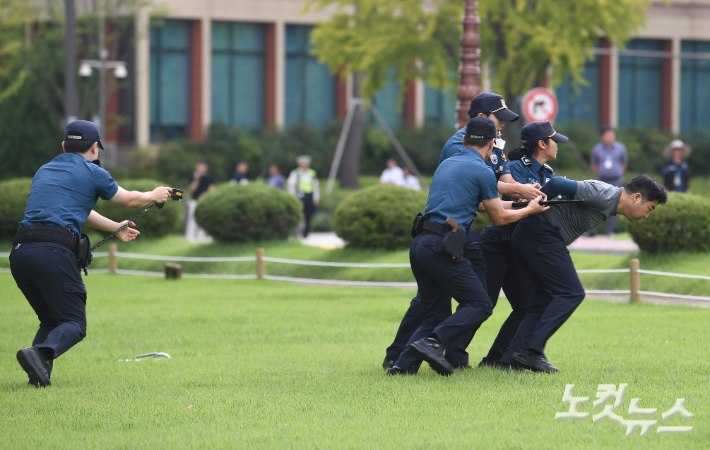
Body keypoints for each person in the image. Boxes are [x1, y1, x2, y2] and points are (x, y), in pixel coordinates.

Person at [383, 92, 543, 371]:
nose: (502, 125)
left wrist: (520, 193)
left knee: (467, 294)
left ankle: (437, 357)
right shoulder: (458, 148)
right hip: (449, 234)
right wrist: (526, 203)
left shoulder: (488, 149)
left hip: (443, 235)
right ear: (482, 122)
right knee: (460, 303)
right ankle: (409, 351)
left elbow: (498, 183)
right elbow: (491, 205)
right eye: (498, 119)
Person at [9, 120, 173, 387]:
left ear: (64, 146)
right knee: (73, 322)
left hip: (21, 253)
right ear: (95, 147)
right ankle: (38, 354)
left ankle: (37, 378)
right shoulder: (93, 172)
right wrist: (153, 194)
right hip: (53, 253)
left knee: (52, 319)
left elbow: (78, 209)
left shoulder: (45, 170)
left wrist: (116, 227)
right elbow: (130, 200)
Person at [500, 175, 668, 373]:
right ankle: (531, 350)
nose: (646, 215)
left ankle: (511, 359)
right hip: (540, 234)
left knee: (541, 301)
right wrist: (531, 208)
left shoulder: (609, 200)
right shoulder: (604, 195)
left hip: (531, 235)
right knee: (571, 293)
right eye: (650, 209)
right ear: (636, 197)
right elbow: (556, 184)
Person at [457, 121, 567, 371]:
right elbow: (505, 200)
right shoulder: (515, 169)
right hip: (497, 244)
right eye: (554, 140)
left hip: (520, 249)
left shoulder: (549, 174)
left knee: (525, 306)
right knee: (483, 304)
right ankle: (453, 355)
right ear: (542, 144)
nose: (557, 145)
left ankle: (497, 359)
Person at [589, 126, 628, 235]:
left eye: (611, 134)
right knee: (597, 203)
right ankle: (593, 231)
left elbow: (624, 163)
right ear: (602, 137)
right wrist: (601, 172)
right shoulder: (597, 149)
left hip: (615, 180)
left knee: (614, 205)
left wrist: (618, 172)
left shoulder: (620, 148)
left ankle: (609, 231)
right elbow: (594, 164)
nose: (610, 137)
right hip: (602, 180)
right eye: (607, 135)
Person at [288, 155, 320, 238]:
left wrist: (316, 198)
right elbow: (291, 186)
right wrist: (293, 196)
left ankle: (306, 233)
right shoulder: (295, 173)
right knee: (298, 214)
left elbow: (315, 187)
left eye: (306, 164)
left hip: (309, 196)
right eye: (303, 164)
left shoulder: (312, 173)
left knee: (308, 216)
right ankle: (296, 232)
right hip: (299, 196)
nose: (304, 166)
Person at [186, 160, 214, 242]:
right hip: (194, 200)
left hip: (204, 201)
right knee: (192, 220)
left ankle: (202, 237)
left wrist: (206, 194)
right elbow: (191, 189)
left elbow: (212, 188)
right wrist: (196, 179)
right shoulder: (194, 176)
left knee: (203, 219)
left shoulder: (209, 177)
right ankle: (190, 237)